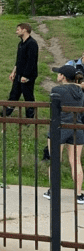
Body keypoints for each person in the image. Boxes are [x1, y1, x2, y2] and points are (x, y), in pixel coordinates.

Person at [42, 65, 84, 205]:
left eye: (59, 73)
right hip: (76, 127)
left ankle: (53, 191)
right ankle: (79, 194)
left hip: (59, 127)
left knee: (55, 160)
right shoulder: (80, 91)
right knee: (76, 161)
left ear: (63, 77)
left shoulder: (57, 90)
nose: (57, 75)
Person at [2, 23, 39, 118]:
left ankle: (30, 118)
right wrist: (13, 72)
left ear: (24, 30)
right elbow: (18, 60)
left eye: (18, 29)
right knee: (14, 93)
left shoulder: (32, 43)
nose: (16, 31)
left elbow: (31, 61)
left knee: (28, 96)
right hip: (19, 73)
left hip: (28, 75)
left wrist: (26, 76)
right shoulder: (21, 43)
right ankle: (5, 114)